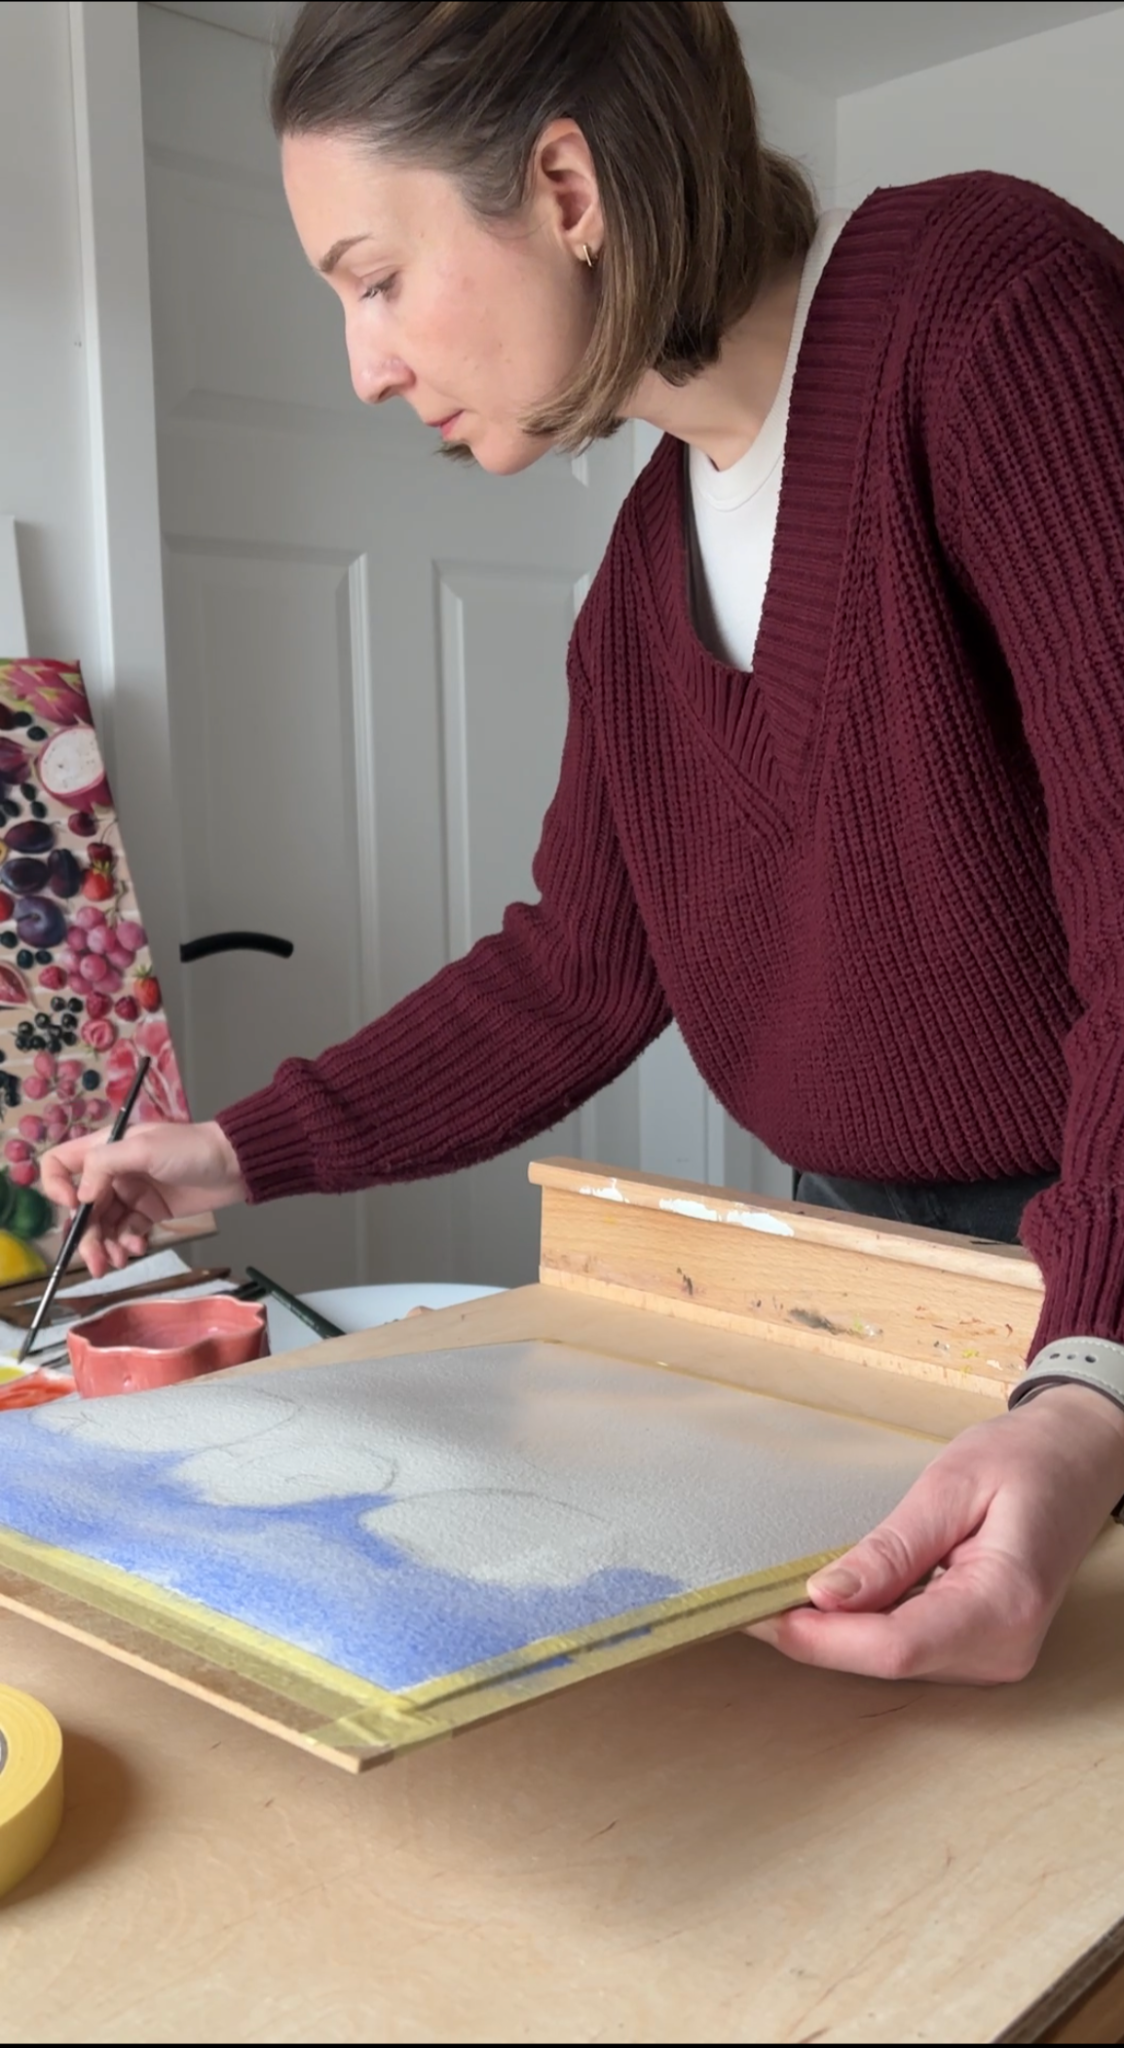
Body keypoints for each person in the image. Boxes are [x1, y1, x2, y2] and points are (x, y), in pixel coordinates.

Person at [43, 1, 1124, 1688]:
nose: (364, 366)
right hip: (863, 1282)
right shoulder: (638, 578)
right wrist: (230, 1154)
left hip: (1095, 1273)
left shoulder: (989, 310)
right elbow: (573, 976)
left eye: (374, 278)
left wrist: (1093, 1379)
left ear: (565, 188)